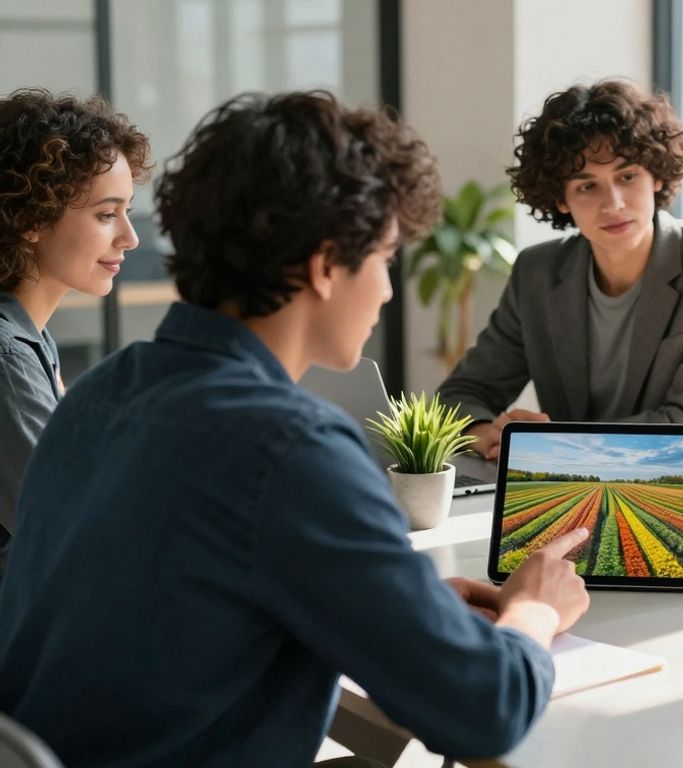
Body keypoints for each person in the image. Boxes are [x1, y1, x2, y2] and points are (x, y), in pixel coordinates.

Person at [0, 92, 591, 766]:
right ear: (324, 264)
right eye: (385, 259)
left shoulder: (102, 392)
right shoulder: (287, 447)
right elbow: (485, 710)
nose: (389, 292)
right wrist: (536, 609)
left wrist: (401, 606)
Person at [435, 79, 683, 468]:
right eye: (587, 186)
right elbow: (463, 392)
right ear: (561, 199)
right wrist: (484, 432)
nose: (613, 203)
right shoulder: (537, 272)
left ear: (656, 176)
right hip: (564, 490)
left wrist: (545, 447)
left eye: (627, 177)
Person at [0, 89, 150, 558]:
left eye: (127, 211)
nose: (130, 237)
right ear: (30, 217)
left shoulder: (31, 336)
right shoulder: (8, 357)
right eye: (107, 214)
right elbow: (79, 524)